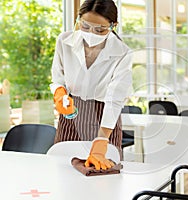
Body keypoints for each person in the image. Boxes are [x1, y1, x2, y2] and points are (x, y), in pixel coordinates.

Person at [50, 0, 132, 170]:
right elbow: (58, 78)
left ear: (113, 26)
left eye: (99, 29)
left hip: (104, 115)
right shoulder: (64, 41)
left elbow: (115, 98)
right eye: (85, 26)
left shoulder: (122, 53)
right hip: (72, 113)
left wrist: (102, 139)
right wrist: (59, 93)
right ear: (78, 19)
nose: (90, 33)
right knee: (63, 171)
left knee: (103, 175)